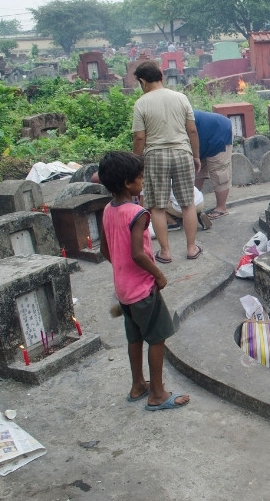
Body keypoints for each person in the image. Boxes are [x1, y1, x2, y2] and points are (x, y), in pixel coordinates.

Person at [98, 151, 190, 411]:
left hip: (123, 289)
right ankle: (157, 394)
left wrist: (122, 269)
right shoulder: (138, 214)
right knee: (157, 338)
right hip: (142, 290)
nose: (143, 183)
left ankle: (138, 384)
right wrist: (158, 275)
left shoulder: (108, 209)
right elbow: (138, 253)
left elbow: (106, 249)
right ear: (128, 183)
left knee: (134, 337)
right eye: (140, 178)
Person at [131, 61, 202, 263]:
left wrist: (135, 162)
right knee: (187, 203)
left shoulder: (141, 103)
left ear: (142, 81)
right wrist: (195, 156)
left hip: (156, 156)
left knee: (157, 207)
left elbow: (139, 138)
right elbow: (192, 130)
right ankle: (191, 248)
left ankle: (165, 252)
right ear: (161, 76)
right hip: (182, 153)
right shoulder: (181, 98)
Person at [193, 109, 233, 220]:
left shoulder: (181, 115)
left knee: (219, 171)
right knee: (197, 171)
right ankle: (193, 203)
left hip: (219, 132)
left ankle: (221, 208)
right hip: (202, 140)